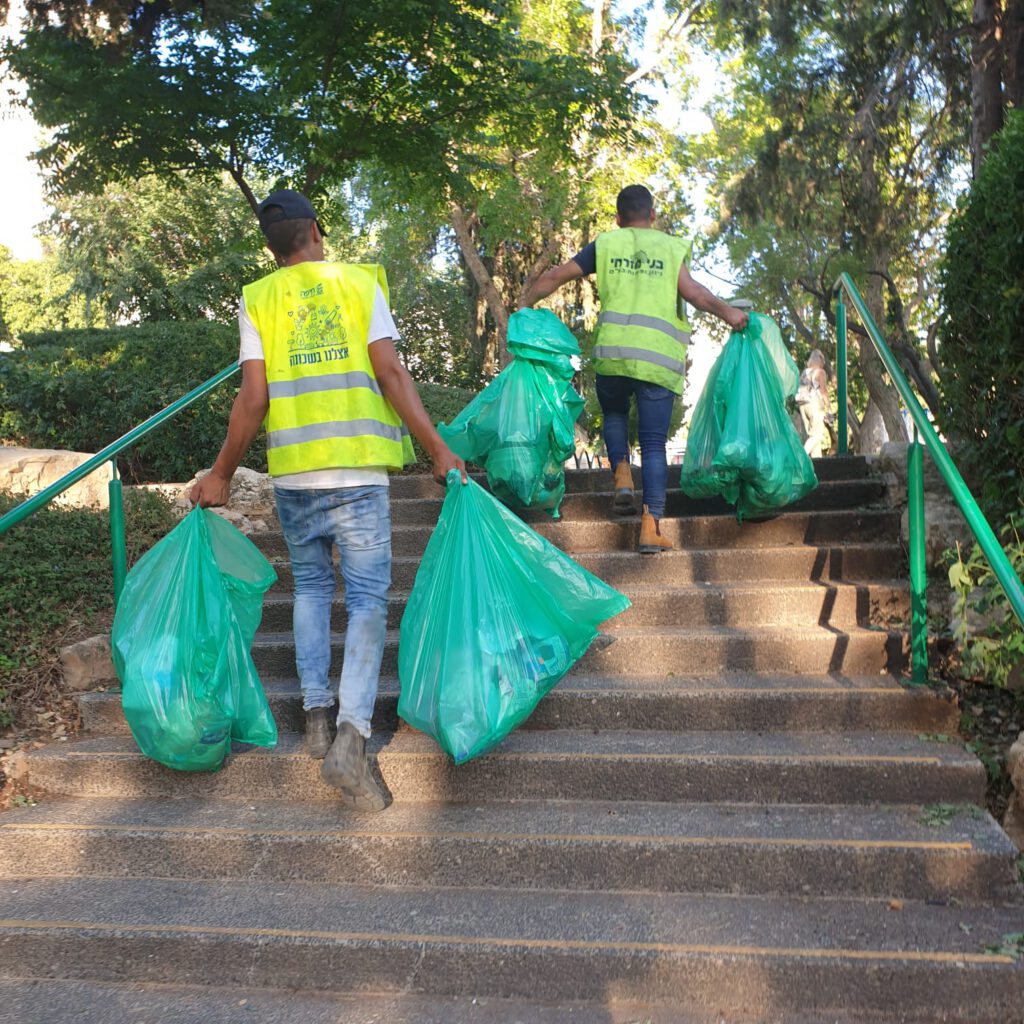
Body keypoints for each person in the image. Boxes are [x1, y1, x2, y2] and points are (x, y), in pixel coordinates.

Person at [191, 189, 465, 812]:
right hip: (358, 474)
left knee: (312, 588)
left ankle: (316, 718)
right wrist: (438, 448)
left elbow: (253, 399)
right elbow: (391, 374)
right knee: (366, 599)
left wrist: (222, 473)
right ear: (315, 229)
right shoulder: (360, 284)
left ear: (272, 245)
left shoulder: (259, 298)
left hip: (294, 478)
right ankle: (352, 734)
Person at [517, 185, 748, 553]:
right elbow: (696, 294)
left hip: (614, 354)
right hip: (657, 359)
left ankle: (622, 474)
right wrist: (732, 314)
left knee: (614, 413)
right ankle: (650, 526)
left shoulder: (606, 245)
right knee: (655, 445)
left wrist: (524, 304)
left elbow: (557, 276)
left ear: (619, 219)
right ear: (652, 215)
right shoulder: (669, 248)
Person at [796, 349, 830, 459]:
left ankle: (817, 464)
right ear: (820, 360)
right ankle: (800, 459)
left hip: (802, 405)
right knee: (817, 435)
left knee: (813, 438)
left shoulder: (805, 372)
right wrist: (828, 407)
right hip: (814, 405)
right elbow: (823, 391)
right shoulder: (820, 372)